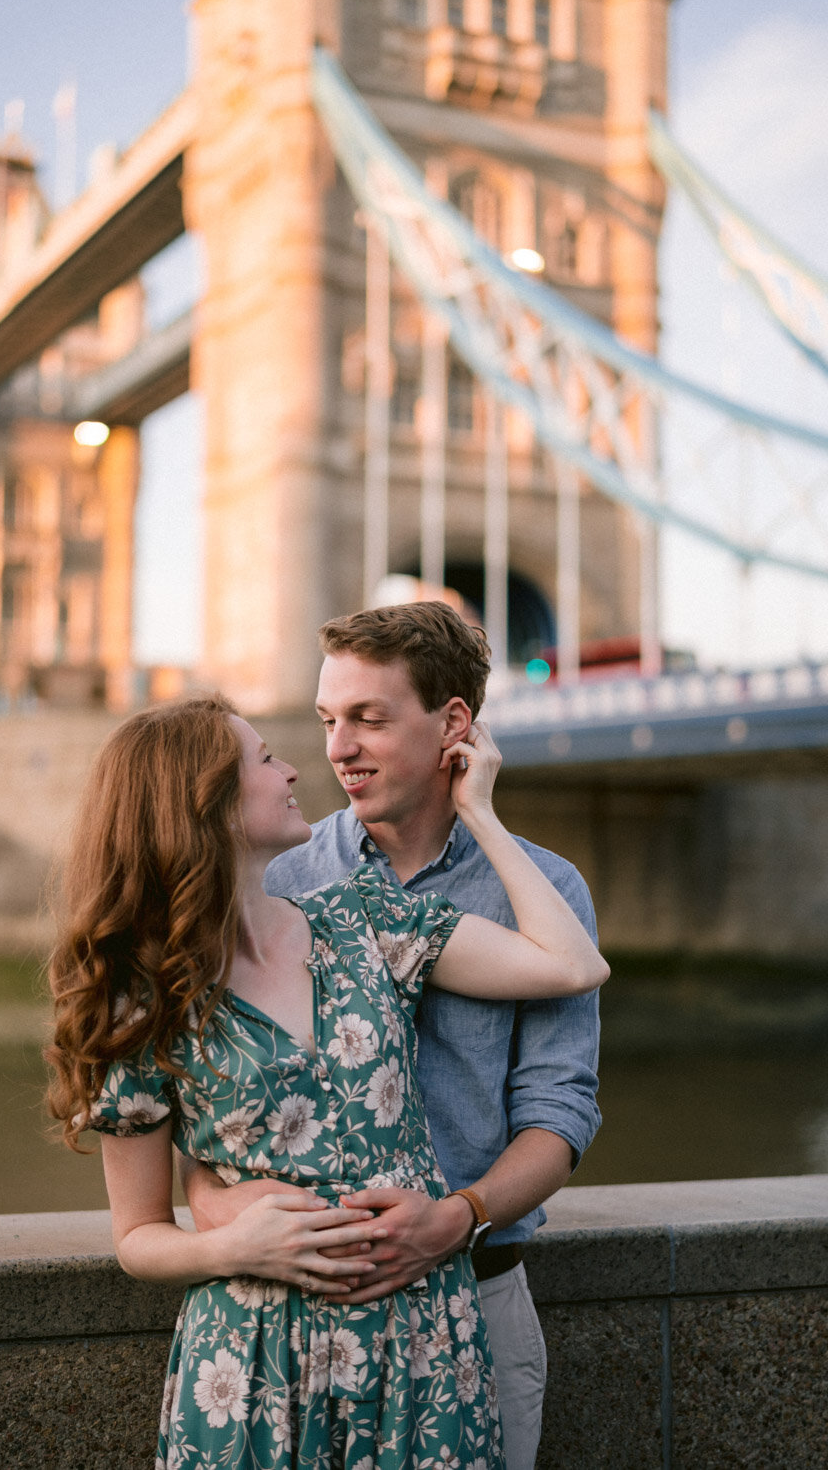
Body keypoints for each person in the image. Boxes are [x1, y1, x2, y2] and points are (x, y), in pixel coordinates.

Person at [46, 693, 607, 1470]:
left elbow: (574, 966)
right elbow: (137, 1237)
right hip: (250, 1371)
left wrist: (477, 811)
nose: (295, 768)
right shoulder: (142, 1000)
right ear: (207, 803)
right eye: (266, 758)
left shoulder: (369, 919)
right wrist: (234, 1242)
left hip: (423, 1351)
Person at [184, 603, 602, 1470]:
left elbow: (560, 1115)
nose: (338, 748)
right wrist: (224, 1209)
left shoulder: (546, 895)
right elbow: (196, 1101)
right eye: (329, 720)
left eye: (370, 719)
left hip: (478, 1303)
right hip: (290, 1317)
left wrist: (459, 1217)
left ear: (454, 724)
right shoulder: (282, 872)